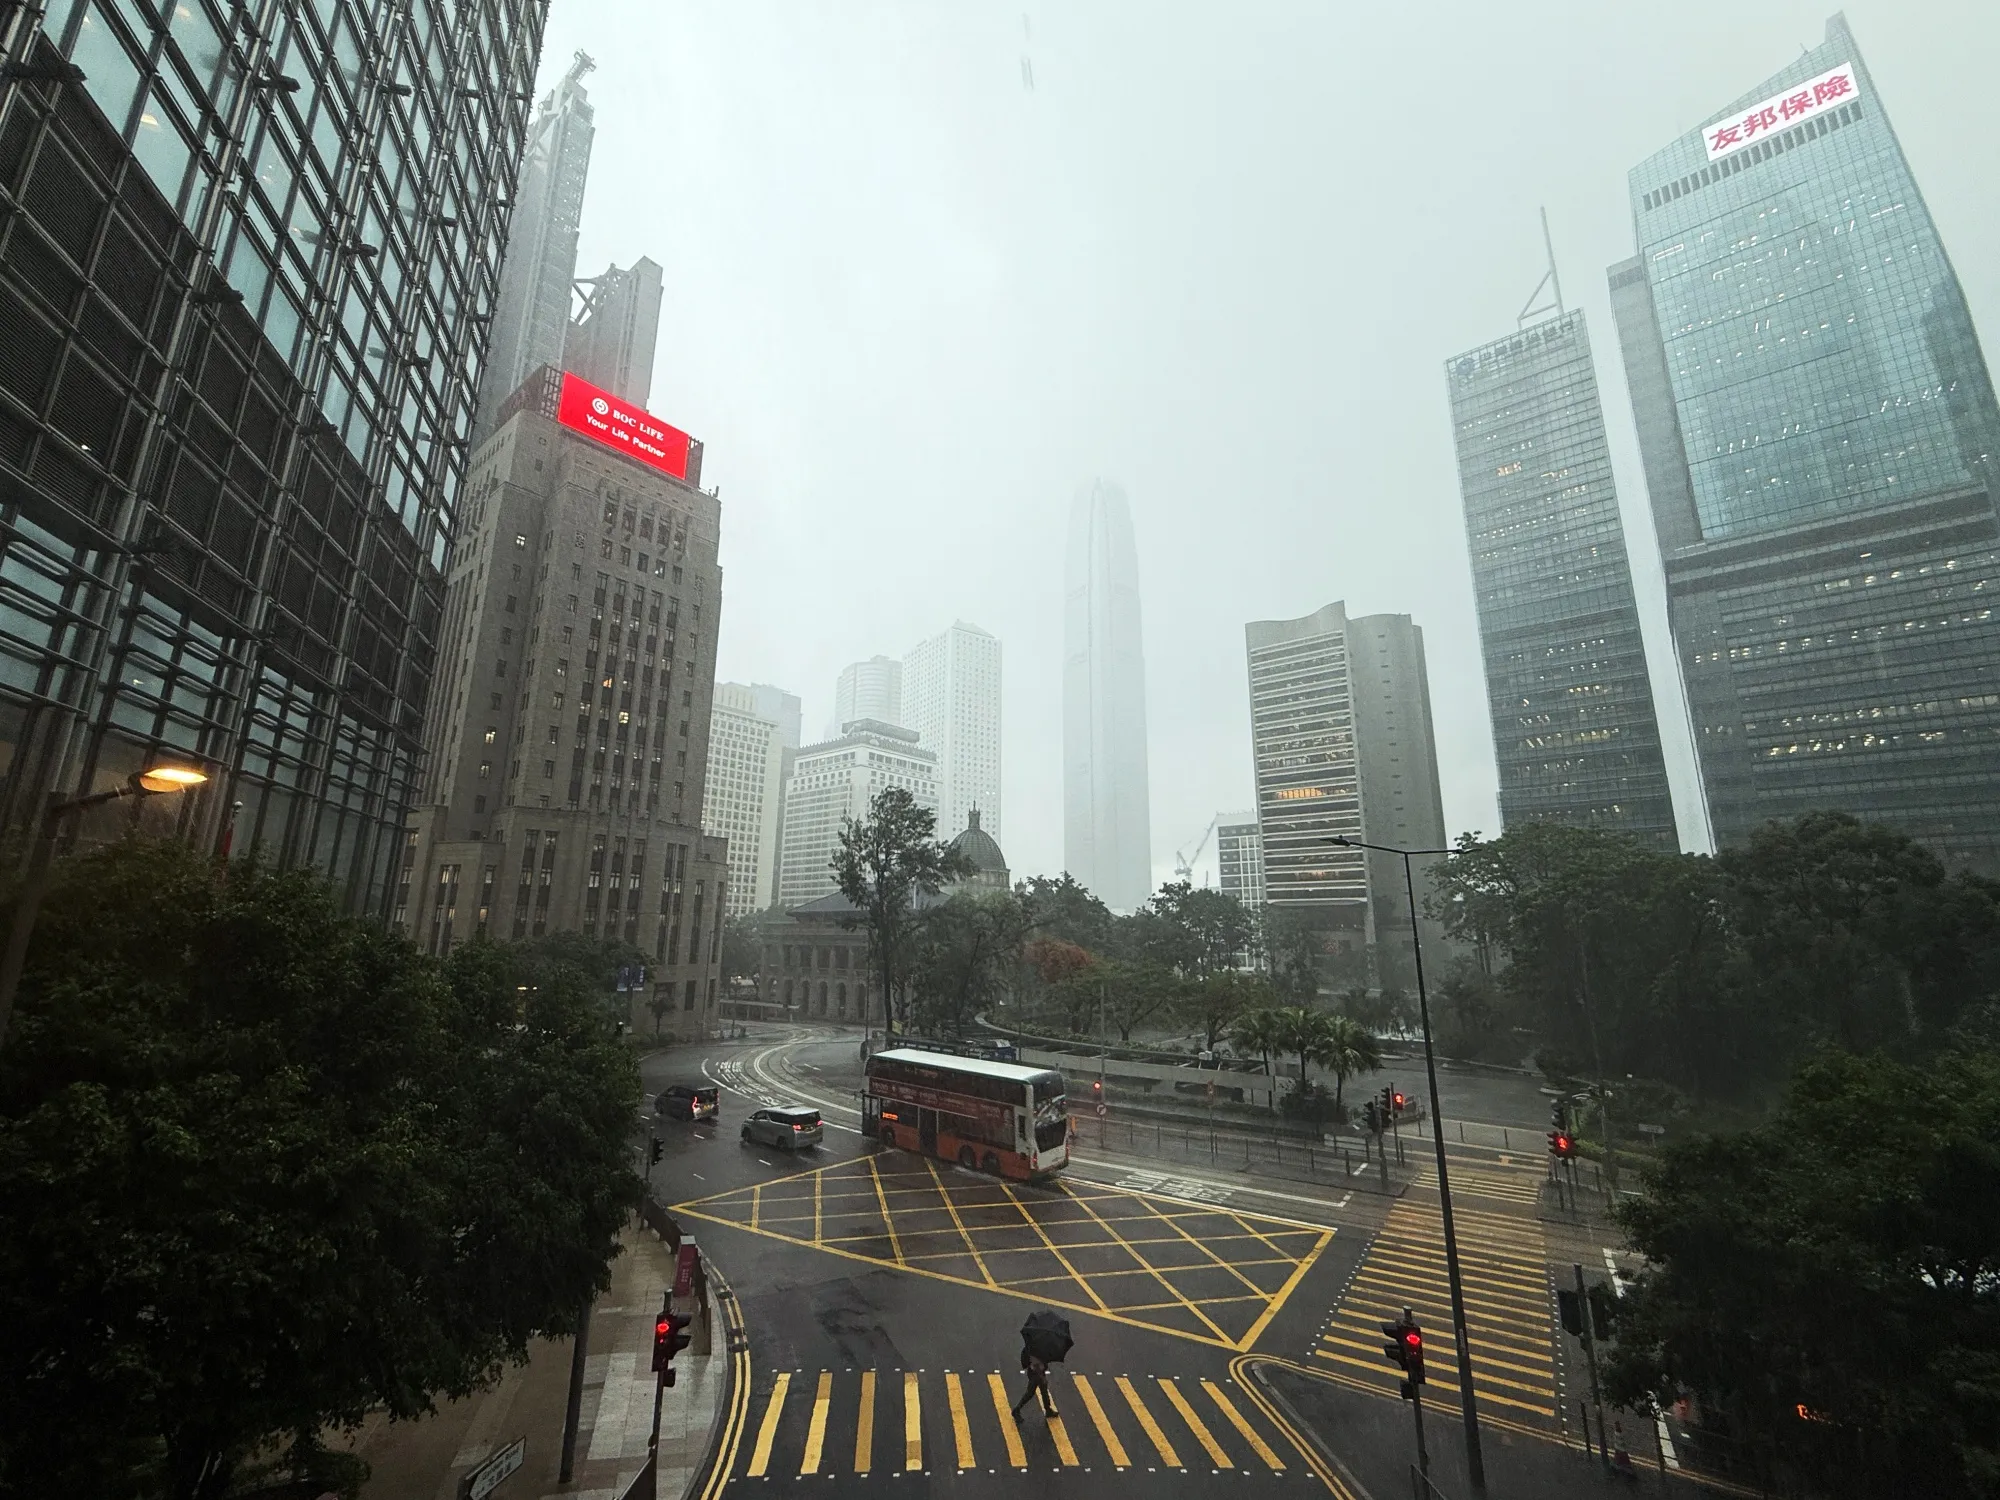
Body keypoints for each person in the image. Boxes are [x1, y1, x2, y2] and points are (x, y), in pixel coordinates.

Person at [1011, 1345, 1057, 1420]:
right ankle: (1017, 1409)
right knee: (1031, 1393)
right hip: (1036, 1374)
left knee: (1043, 1390)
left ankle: (1048, 1409)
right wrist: (1042, 1377)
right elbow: (1035, 1366)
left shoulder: (1036, 1346)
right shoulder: (1035, 1349)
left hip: (1038, 1373)